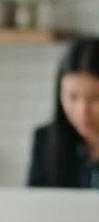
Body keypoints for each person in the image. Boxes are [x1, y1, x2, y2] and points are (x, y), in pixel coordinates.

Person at [27, 36, 99, 190]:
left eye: (95, 97)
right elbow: (33, 200)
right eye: (72, 97)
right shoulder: (45, 139)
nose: (82, 111)